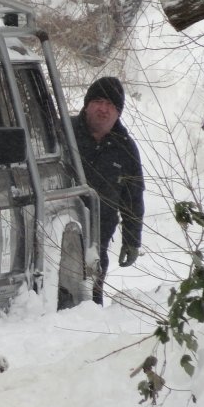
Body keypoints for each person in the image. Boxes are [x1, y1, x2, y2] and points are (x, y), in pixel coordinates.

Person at [72, 76, 144, 305]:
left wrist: (132, 240)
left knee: (92, 304)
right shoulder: (62, 132)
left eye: (111, 105)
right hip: (59, 237)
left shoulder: (125, 148)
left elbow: (133, 198)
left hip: (98, 241)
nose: (104, 109)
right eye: (99, 101)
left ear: (118, 112)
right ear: (87, 104)